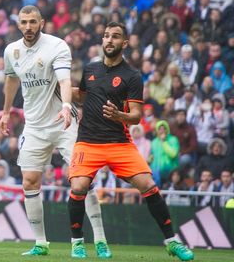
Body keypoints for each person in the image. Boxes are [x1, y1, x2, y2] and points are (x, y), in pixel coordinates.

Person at [68, 22, 194, 260]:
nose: (109, 40)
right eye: (106, 36)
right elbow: (83, 96)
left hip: (119, 143)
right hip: (88, 142)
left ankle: (172, 241)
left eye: (115, 37)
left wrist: (119, 116)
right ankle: (77, 243)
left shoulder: (132, 76)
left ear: (124, 43)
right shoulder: (89, 69)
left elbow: (136, 117)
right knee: (78, 187)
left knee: (148, 184)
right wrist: (59, 87)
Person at [0, 5, 110, 257]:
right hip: (35, 126)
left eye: (33, 22)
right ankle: (40, 243)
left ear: (42, 22)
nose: (28, 26)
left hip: (64, 123)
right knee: (29, 181)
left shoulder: (57, 46)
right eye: (24, 22)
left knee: (83, 179)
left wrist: (68, 105)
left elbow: (64, 80)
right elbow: (11, 80)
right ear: (18, 24)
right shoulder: (11, 51)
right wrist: (6, 112)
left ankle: (100, 240)